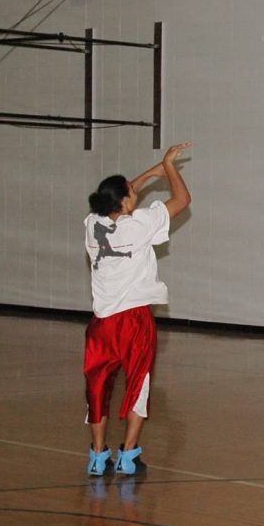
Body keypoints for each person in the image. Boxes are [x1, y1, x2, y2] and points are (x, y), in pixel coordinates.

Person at [83, 142, 192, 477]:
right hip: (134, 322)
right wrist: (169, 168)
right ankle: (128, 455)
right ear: (126, 202)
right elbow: (182, 200)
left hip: (101, 325)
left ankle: (98, 457)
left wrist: (148, 174)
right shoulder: (140, 225)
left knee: (98, 389)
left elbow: (121, 193)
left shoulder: (91, 224)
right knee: (138, 386)